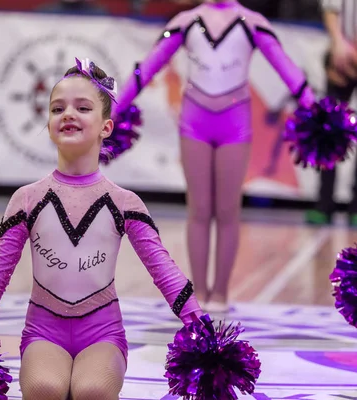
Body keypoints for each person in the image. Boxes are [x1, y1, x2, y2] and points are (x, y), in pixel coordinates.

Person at [0, 58, 202, 399]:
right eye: (58, 108)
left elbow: (166, 274)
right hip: (44, 331)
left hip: (103, 333)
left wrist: (203, 331)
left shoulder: (125, 202)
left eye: (83, 107)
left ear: (106, 127)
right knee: (45, 388)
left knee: (92, 390)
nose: (68, 114)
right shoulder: (27, 199)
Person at [113, 0, 315, 312]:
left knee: (227, 210)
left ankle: (220, 292)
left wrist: (316, 112)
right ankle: (200, 290)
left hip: (235, 124)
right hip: (195, 122)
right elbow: (147, 68)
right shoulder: (185, 21)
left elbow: (288, 70)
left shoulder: (252, 22)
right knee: (199, 209)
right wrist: (115, 109)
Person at [305, 0, 357, 227]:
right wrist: (338, 45)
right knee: (330, 129)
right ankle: (324, 202)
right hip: (341, 56)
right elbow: (330, 9)